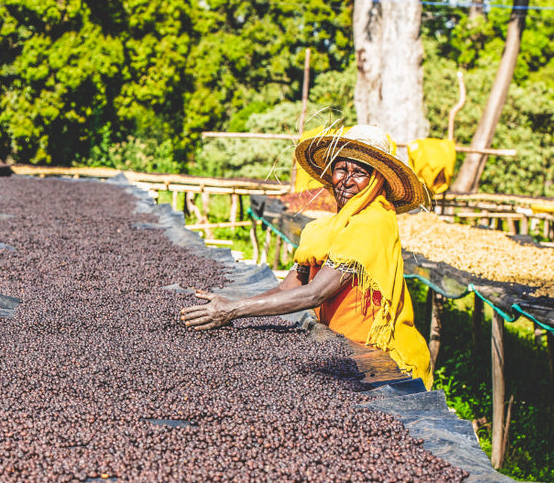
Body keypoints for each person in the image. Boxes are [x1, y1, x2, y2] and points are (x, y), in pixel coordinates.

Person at [180, 125, 432, 388]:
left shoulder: (372, 223)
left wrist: (233, 311)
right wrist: (233, 302)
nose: (346, 180)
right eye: (341, 169)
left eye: (359, 173)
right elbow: (292, 285)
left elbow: (315, 293)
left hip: (382, 360)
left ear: (377, 180)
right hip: (343, 348)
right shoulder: (328, 228)